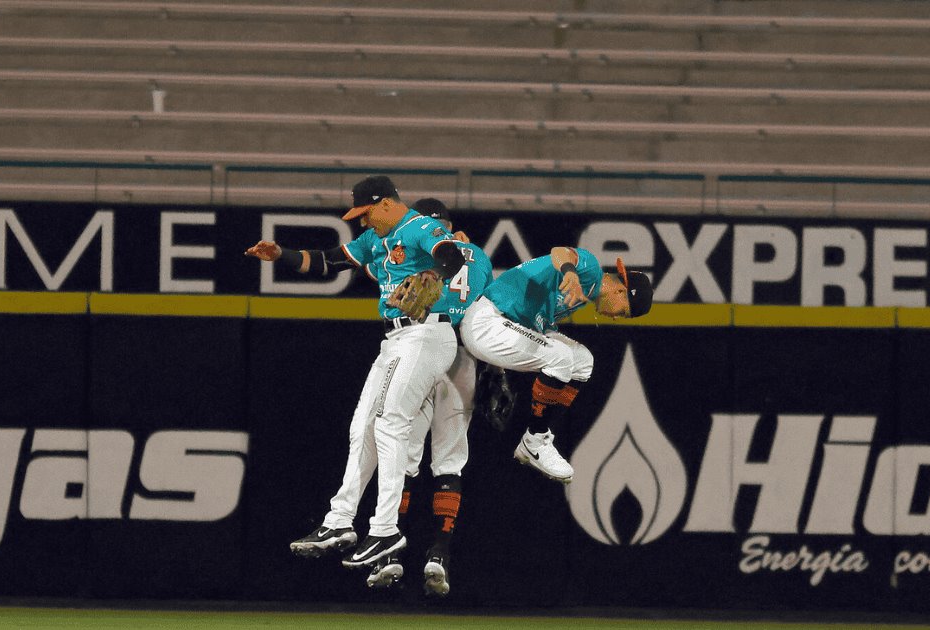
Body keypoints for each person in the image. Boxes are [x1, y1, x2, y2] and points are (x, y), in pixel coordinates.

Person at [245, 177, 467, 570]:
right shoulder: (374, 241)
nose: (363, 223)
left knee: (390, 425)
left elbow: (451, 255)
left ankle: (385, 529)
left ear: (384, 204)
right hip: (396, 339)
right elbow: (328, 260)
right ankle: (340, 521)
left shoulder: (417, 226)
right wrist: (281, 254)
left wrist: (433, 275)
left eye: (365, 214)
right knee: (361, 427)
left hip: (427, 333)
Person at [364, 199, 492, 596]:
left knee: (402, 456)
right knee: (450, 460)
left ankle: (389, 555)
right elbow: (492, 314)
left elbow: (377, 269)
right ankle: (439, 553)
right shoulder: (479, 258)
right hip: (462, 356)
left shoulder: (404, 248)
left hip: (418, 349)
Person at [459, 248, 654, 484]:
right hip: (487, 321)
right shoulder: (590, 270)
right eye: (622, 312)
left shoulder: (584, 294)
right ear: (621, 290)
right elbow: (560, 252)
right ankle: (535, 438)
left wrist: (494, 367)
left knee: (583, 361)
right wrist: (570, 273)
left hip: (503, 326)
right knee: (560, 356)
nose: (615, 317)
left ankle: (537, 440)